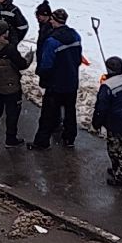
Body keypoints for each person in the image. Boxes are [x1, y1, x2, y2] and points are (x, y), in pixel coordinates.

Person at [29, 8, 84, 150]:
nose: (50, 21)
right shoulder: (76, 36)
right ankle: (69, 138)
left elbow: (47, 64)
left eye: (52, 19)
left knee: (48, 114)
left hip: (56, 84)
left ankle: (42, 142)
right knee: (70, 111)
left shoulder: (52, 41)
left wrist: (43, 77)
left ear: (55, 21)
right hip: (71, 82)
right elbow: (78, 59)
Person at [92, 56, 122, 186]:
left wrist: (96, 123)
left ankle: (121, 175)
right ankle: (120, 170)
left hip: (116, 121)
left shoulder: (107, 87)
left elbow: (101, 107)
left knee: (115, 149)